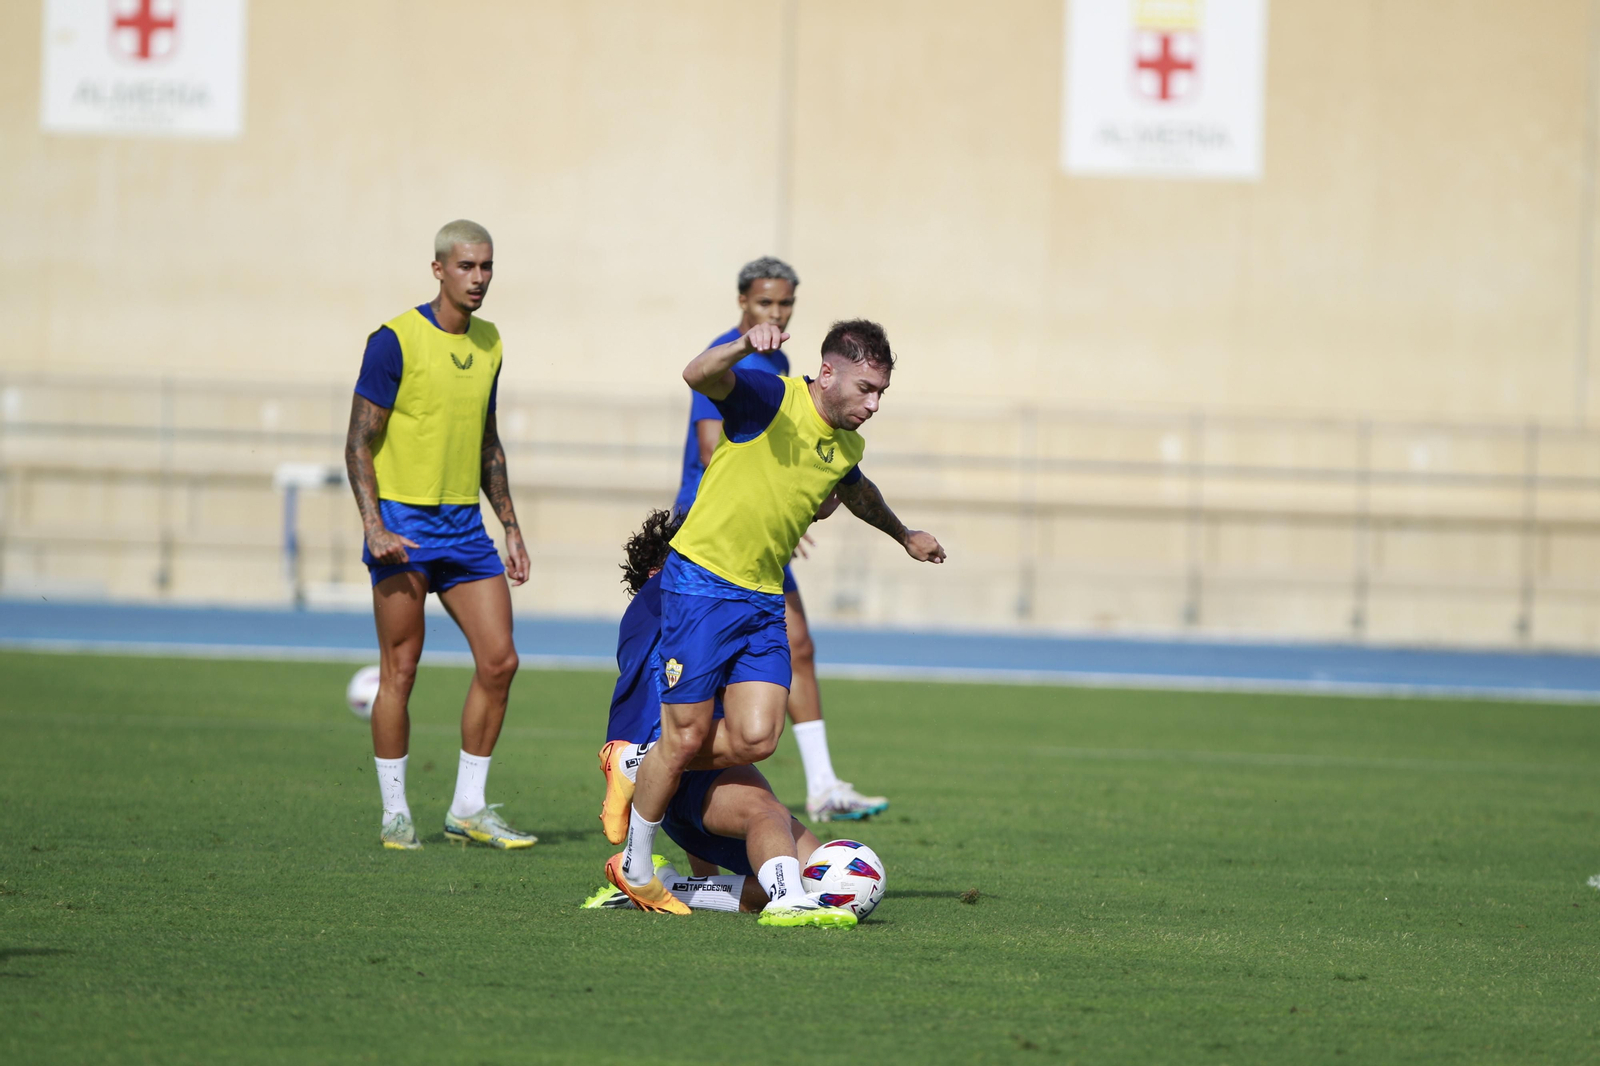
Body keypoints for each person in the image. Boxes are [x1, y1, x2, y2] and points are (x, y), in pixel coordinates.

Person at [609, 317, 946, 913]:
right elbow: (696, 374)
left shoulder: (847, 444)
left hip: (763, 599)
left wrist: (903, 534)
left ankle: (644, 758)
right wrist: (743, 342)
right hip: (702, 587)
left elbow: (858, 490)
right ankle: (635, 864)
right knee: (686, 737)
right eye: (866, 388)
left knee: (758, 737)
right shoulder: (771, 398)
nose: (873, 405)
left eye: (881, 394)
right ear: (828, 372)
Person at [343, 219, 536, 852]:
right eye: (466, 267)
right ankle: (395, 814)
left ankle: (468, 809)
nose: (478, 278)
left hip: (465, 529)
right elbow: (359, 441)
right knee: (400, 669)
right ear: (438, 270)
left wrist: (509, 526)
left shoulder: (491, 343)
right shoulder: (393, 340)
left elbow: (487, 441)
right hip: (403, 527)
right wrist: (373, 525)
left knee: (500, 661)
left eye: (485, 267)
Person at [674, 257, 887, 823]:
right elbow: (706, 445)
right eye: (766, 303)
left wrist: (797, 506)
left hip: (767, 537)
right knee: (708, 683)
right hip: (713, 537)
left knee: (800, 648)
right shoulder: (734, 350)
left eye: (785, 304)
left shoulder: (790, 363)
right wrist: (776, 505)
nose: (776, 312)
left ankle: (821, 783)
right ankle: (661, 770)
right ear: (743, 301)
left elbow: (817, 460)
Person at [586, 510, 850, 925]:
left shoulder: (667, 613)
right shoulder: (679, 587)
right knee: (767, 813)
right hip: (681, 762)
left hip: (685, 774)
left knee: (818, 880)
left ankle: (670, 886)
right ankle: (787, 903)